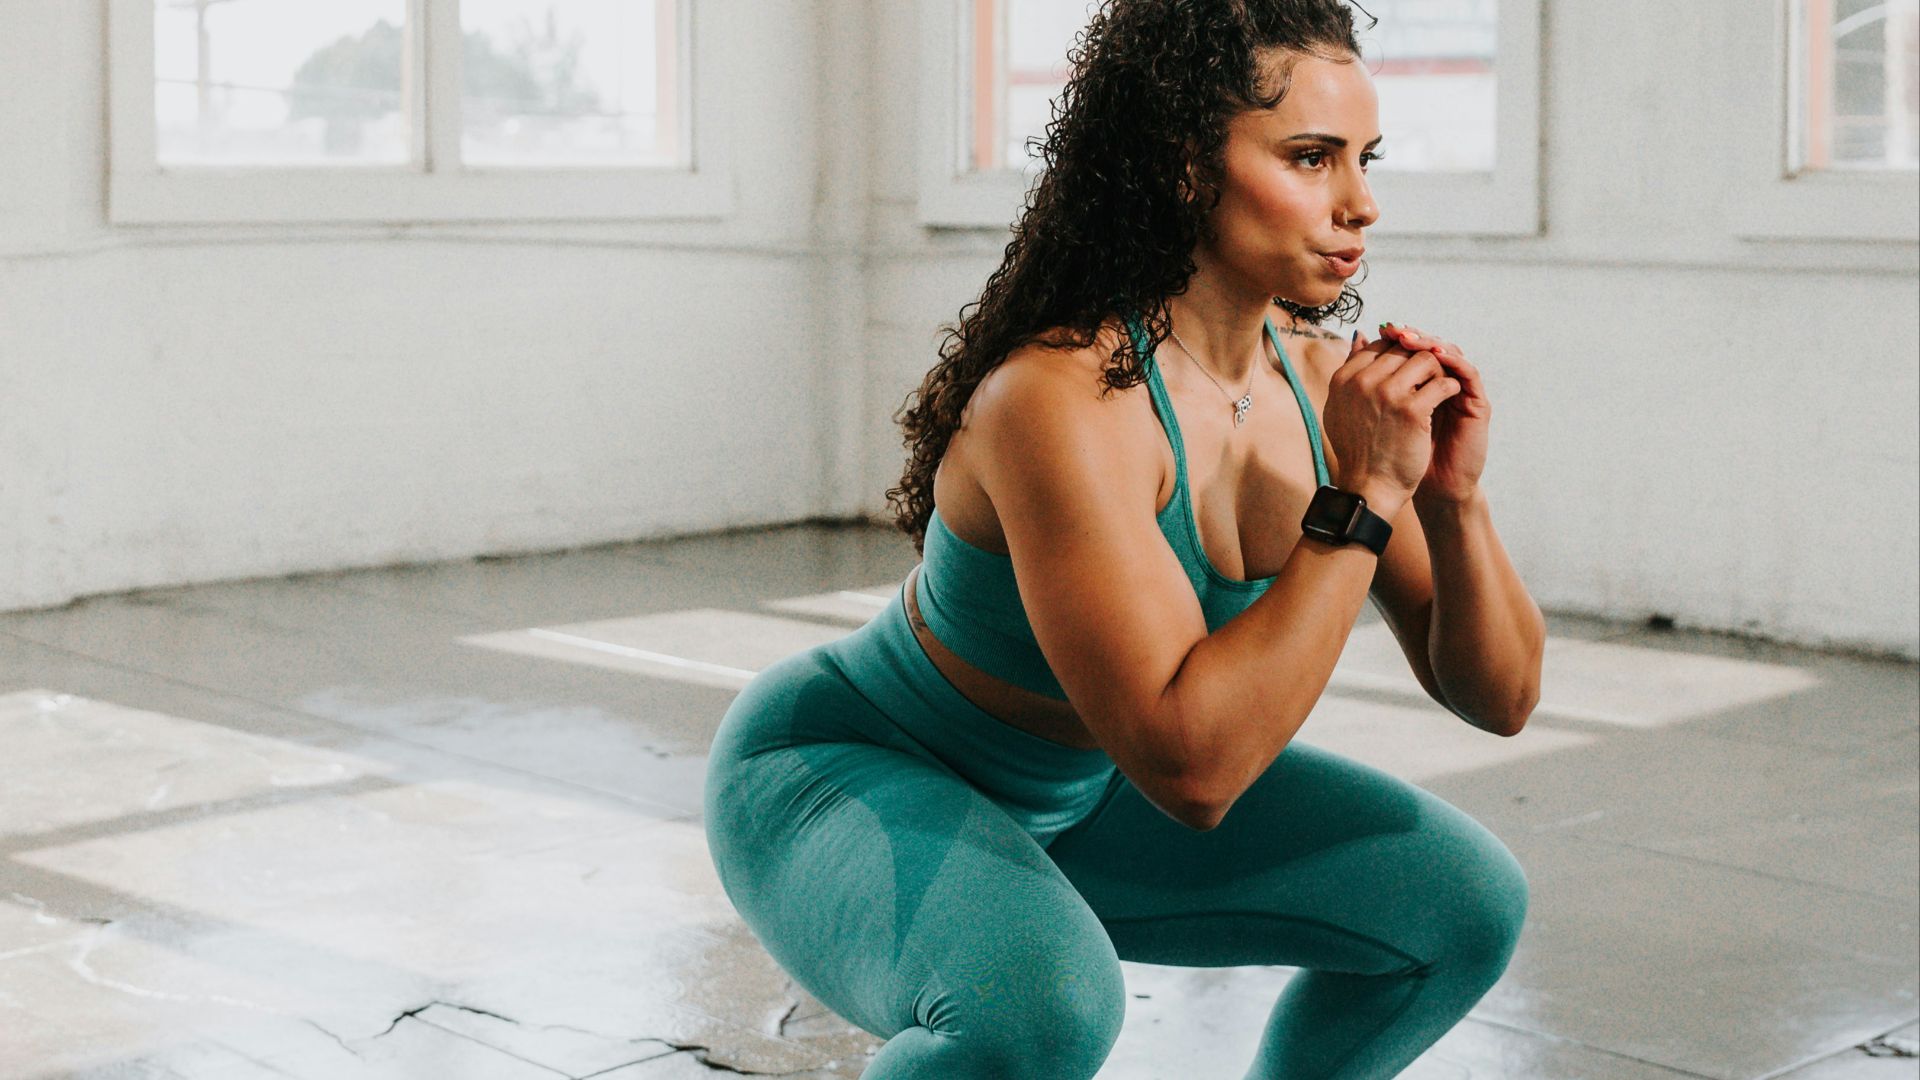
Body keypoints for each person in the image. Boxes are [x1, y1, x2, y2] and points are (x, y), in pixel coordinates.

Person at [703, 1, 1547, 1076]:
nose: (1361, 204)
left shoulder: (1321, 380)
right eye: (1310, 157)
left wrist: (1453, 499)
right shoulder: (1055, 400)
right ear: (1188, 168)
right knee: (1041, 1013)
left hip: (1085, 798)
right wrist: (1361, 501)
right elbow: (1193, 770)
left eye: (1365, 160)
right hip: (849, 772)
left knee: (1463, 905)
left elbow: (1501, 697)